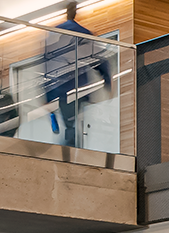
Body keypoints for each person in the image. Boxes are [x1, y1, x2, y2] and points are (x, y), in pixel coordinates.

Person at [38, 1, 112, 147]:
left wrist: (45, 93)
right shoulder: (82, 32)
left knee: (70, 123)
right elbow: (98, 59)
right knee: (77, 121)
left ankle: (70, 149)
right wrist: (107, 80)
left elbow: (47, 65)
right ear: (75, 12)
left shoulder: (54, 34)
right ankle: (75, 147)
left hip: (62, 88)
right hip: (80, 86)